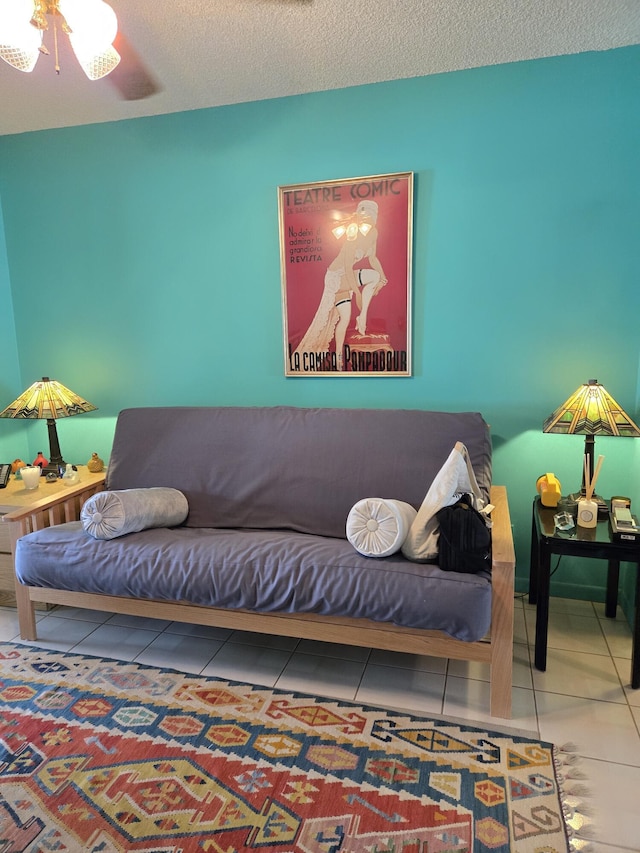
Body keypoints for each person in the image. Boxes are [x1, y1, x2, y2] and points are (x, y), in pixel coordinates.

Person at [293, 200, 388, 370]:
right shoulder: (352, 234)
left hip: (346, 276)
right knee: (372, 277)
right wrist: (358, 294)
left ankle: (338, 359)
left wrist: (384, 277)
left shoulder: (372, 233)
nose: (367, 219)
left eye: (371, 216)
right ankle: (362, 317)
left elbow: (372, 258)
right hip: (336, 277)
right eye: (364, 215)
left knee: (344, 318)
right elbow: (347, 267)